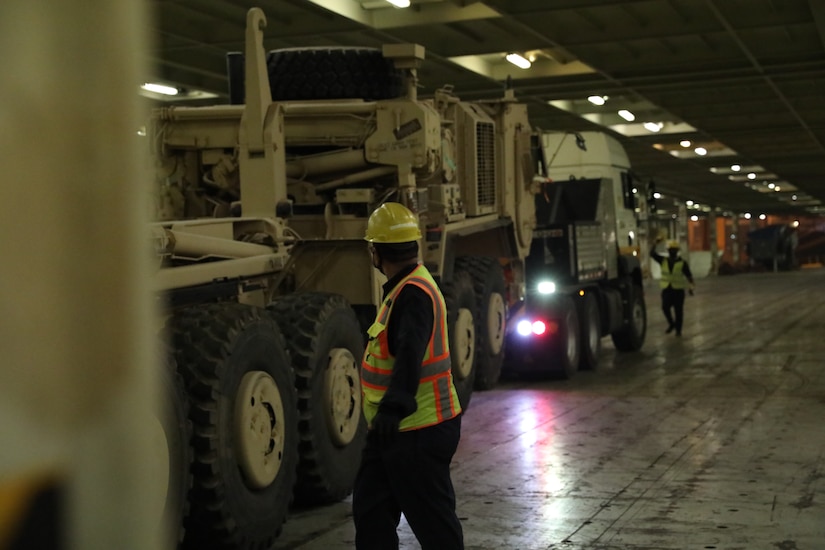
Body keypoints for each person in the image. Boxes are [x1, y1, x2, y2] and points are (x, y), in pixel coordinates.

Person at [353, 202, 464, 550]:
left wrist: (394, 406)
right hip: (394, 431)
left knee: (435, 527)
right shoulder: (406, 287)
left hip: (418, 430)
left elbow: (410, 353)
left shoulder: (413, 294)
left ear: (376, 252)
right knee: (371, 516)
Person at [650, 237, 695, 337]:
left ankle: (678, 331)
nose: (672, 251)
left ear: (677, 251)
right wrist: (655, 243)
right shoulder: (663, 261)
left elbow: (689, 276)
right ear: (668, 251)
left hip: (678, 291)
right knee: (665, 308)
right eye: (670, 250)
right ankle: (671, 324)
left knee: (678, 312)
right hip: (667, 289)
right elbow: (652, 254)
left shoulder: (682, 263)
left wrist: (691, 288)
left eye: (674, 250)